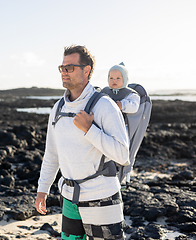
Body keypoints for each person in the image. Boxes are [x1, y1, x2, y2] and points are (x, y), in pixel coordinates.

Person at [35, 45, 130, 240]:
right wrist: (42, 189)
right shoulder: (58, 108)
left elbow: (122, 155)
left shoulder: (104, 105)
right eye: (61, 67)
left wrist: (89, 129)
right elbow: (52, 153)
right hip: (70, 198)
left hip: (101, 197)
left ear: (86, 70)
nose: (63, 72)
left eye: (69, 68)